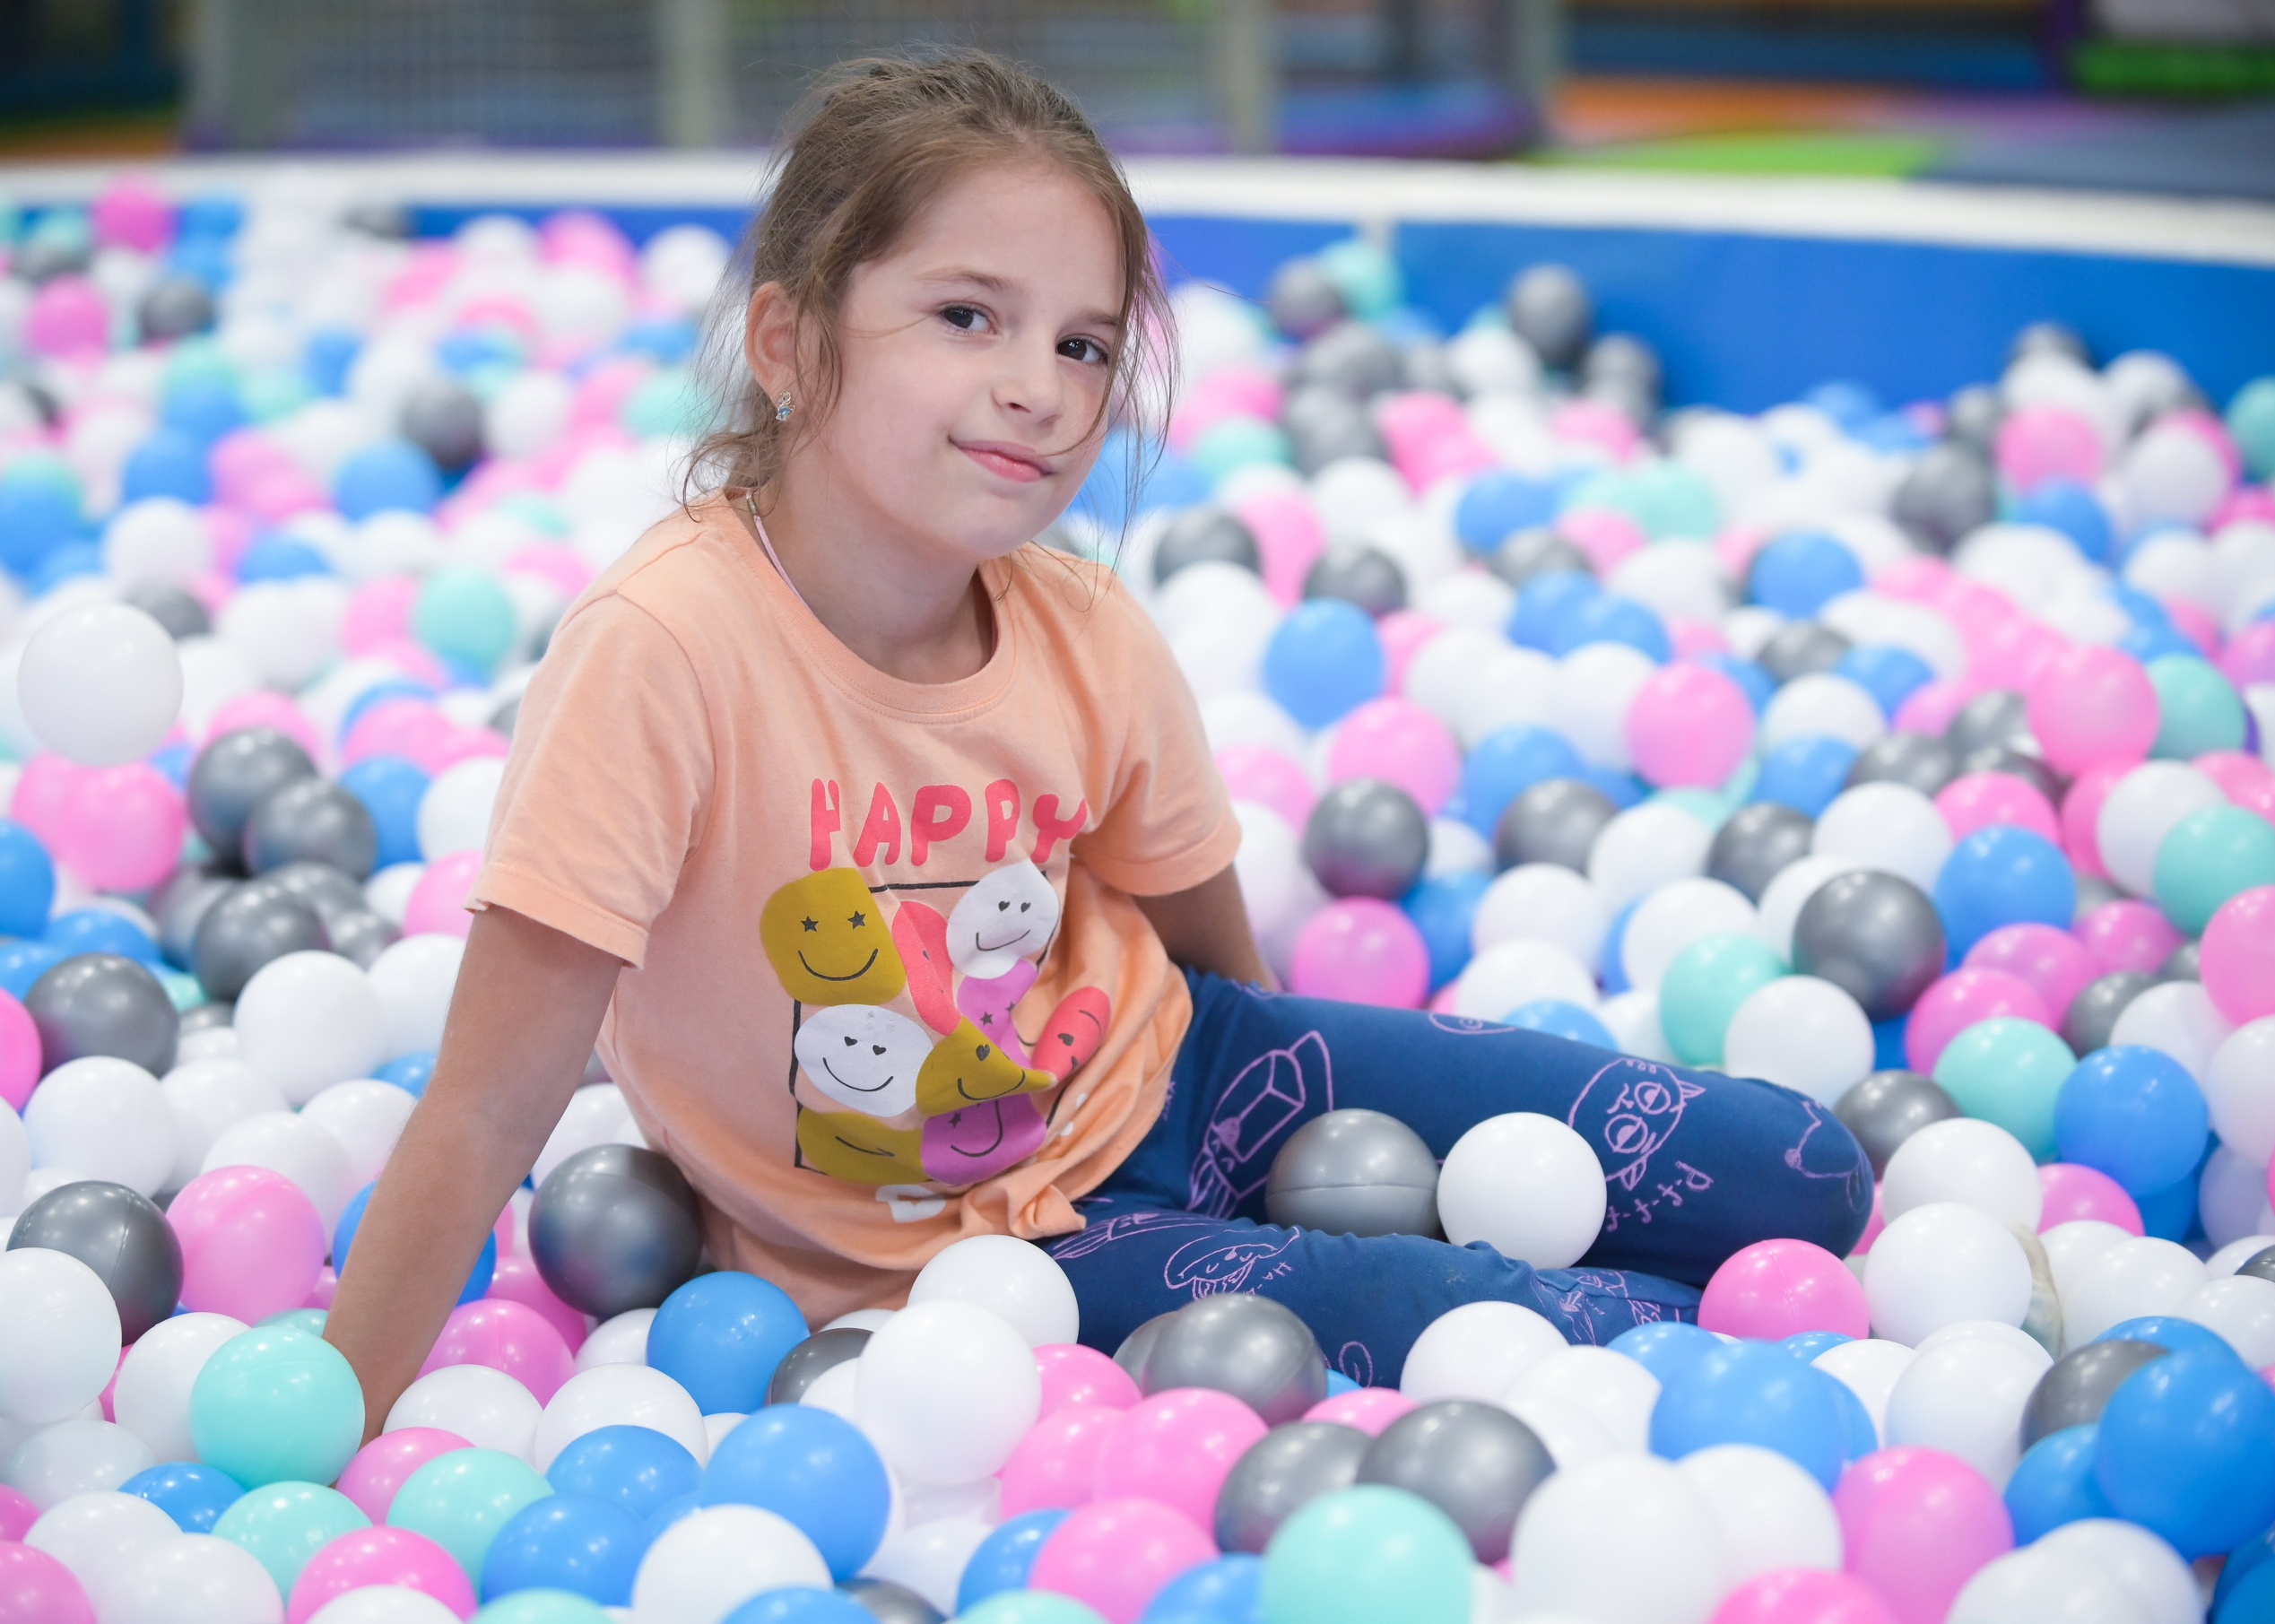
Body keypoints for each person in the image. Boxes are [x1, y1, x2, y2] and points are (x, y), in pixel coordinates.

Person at [326, 50, 1871, 1437]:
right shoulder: (664, 656)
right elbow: (482, 1111)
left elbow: (1211, 947)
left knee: (1809, 1177)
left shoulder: (1077, 628)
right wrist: (324, 1442)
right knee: (1581, 1346)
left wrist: (1318, 1149)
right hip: (993, 1262)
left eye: (1082, 344)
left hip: (1186, 1073)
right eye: (966, 316)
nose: (1038, 390)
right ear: (788, 347)